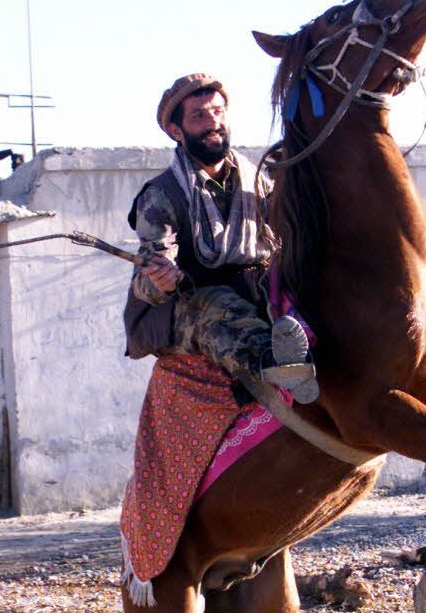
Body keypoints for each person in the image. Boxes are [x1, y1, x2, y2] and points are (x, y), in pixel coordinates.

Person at [123, 73, 318, 403]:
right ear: (176, 131)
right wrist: (162, 281)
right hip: (188, 303)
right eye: (199, 116)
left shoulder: (256, 180)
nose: (213, 122)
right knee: (219, 304)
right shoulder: (160, 196)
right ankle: (276, 365)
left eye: (218, 112)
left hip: (256, 288)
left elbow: (285, 237)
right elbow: (146, 282)